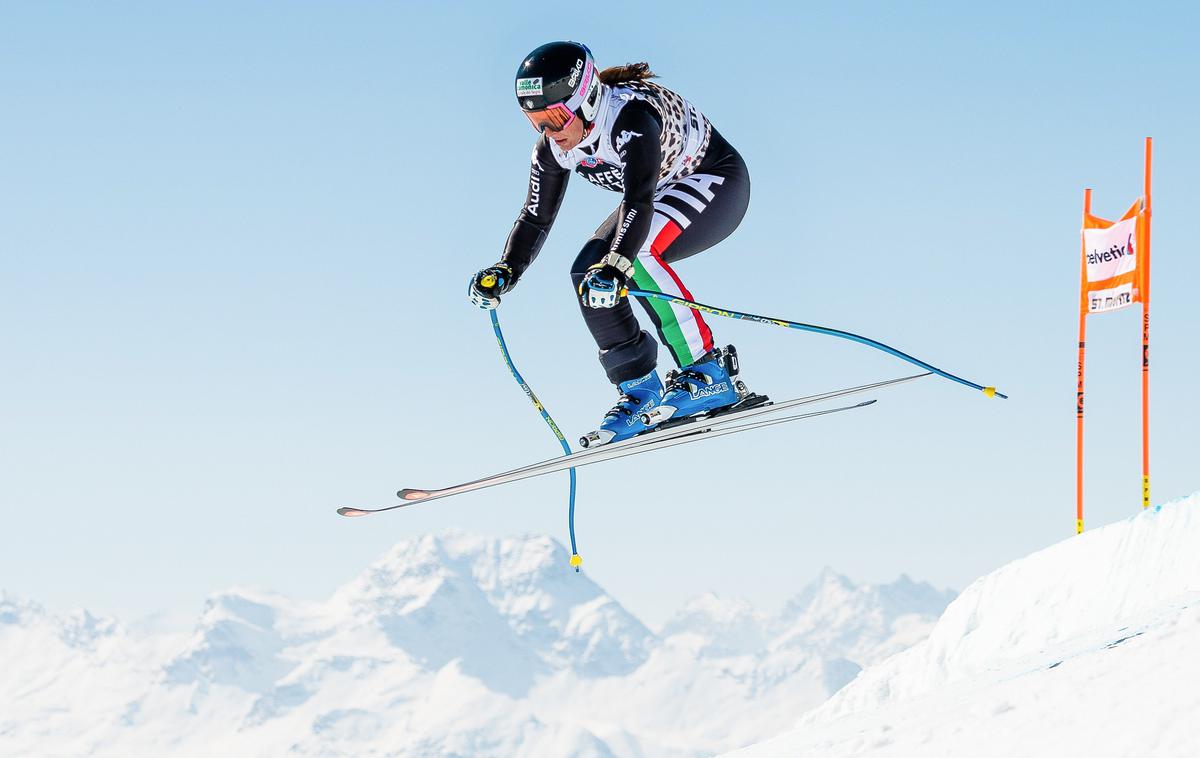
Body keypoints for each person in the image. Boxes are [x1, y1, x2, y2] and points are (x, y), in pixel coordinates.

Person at [469, 41, 753, 447]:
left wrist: (617, 262)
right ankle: (640, 389)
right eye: (535, 121)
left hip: (715, 180)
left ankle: (708, 373)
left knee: (632, 256)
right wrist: (507, 269)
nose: (549, 132)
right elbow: (536, 217)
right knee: (588, 271)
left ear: (585, 99)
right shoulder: (553, 148)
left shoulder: (630, 118)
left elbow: (639, 199)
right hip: (663, 192)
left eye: (554, 117)